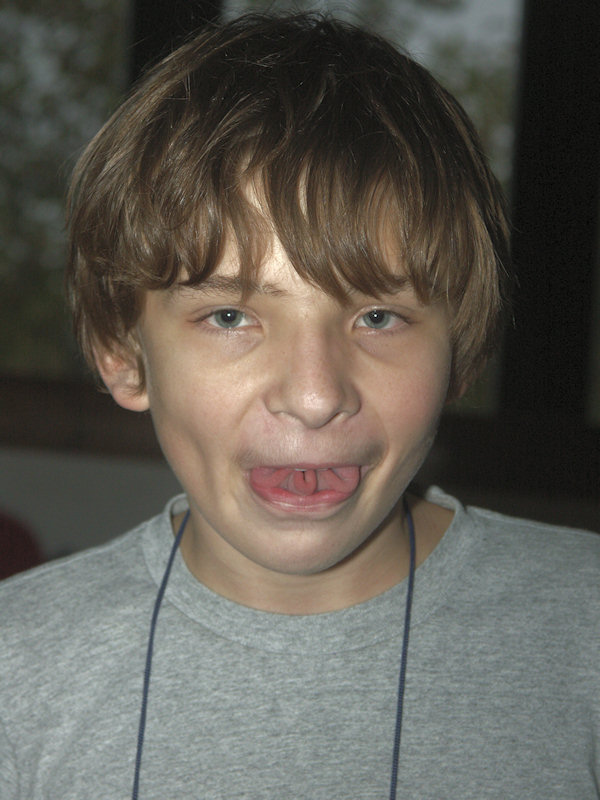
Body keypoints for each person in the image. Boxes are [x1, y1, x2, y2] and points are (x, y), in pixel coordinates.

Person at [1, 13, 598, 799]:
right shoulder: (17, 670)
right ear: (124, 354)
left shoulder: (583, 637)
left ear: (459, 352)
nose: (315, 396)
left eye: (378, 317)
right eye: (229, 317)